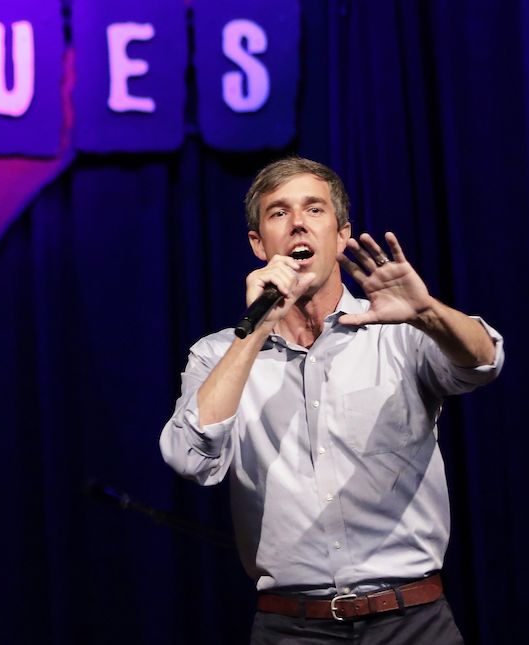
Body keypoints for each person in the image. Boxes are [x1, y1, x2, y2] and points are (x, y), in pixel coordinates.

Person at [159, 157, 504, 644]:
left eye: (314, 209)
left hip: (412, 620)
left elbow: (485, 361)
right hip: (291, 628)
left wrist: (427, 312)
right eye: (278, 213)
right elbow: (190, 458)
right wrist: (254, 331)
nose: (298, 222)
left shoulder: (397, 329)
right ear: (259, 244)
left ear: (342, 235)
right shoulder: (219, 353)